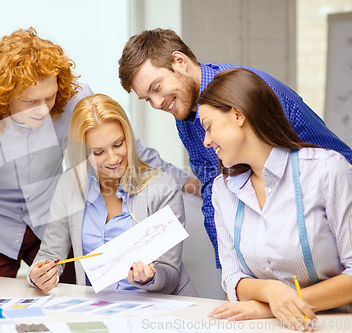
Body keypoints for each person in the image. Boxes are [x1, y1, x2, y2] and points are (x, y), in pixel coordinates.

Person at [0, 28, 190, 280]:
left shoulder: (73, 97)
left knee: (75, 291)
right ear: (4, 96)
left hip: (48, 221)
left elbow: (122, 142)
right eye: (30, 102)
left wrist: (181, 179)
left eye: (49, 98)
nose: (42, 110)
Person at [118, 28, 352, 268]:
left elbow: (328, 165)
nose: (156, 104)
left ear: (180, 62)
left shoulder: (249, 91)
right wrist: (230, 275)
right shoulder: (185, 114)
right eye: (147, 98)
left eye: (156, 87)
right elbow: (212, 189)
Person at [196, 69, 352, 330]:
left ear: (237, 114)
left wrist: (272, 306)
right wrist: (270, 292)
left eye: (209, 127)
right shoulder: (222, 191)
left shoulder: (327, 170)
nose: (206, 141)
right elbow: (232, 278)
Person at [27, 94, 197, 296]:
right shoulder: (69, 185)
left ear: (129, 138)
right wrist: (39, 275)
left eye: (118, 144)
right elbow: (49, 254)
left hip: (160, 310)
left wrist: (149, 277)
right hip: (100, 309)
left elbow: (170, 274)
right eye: (98, 152)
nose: (113, 158)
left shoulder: (163, 188)